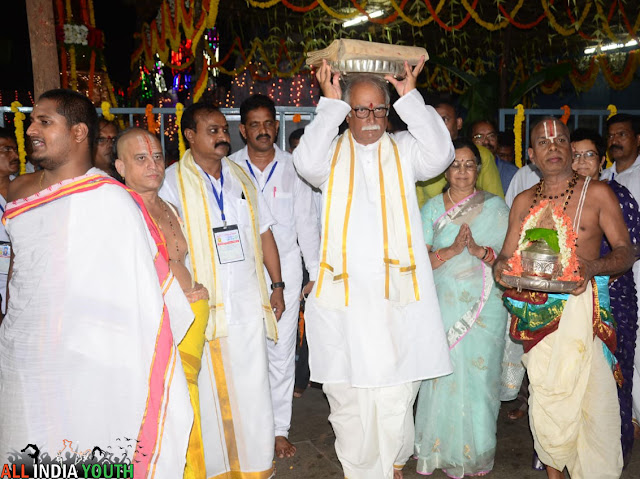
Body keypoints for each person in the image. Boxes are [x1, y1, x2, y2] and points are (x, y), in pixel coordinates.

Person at [0, 89, 194, 477]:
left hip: (87, 357)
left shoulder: (111, 199)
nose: (32, 129)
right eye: (33, 121)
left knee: (89, 445)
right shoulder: (17, 189)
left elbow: (138, 285)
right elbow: (18, 268)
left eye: (44, 122)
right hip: (24, 352)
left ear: (77, 133)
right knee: (28, 449)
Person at [293, 58, 454, 479]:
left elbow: (441, 154)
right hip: (344, 304)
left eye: (378, 109)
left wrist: (410, 96)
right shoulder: (328, 154)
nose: (370, 119)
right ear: (347, 113)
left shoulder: (404, 151)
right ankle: (364, 471)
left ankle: (389, 465)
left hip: (396, 304)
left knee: (395, 396)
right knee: (347, 401)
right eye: (360, 109)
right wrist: (328, 104)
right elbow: (304, 164)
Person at [494, 116, 635, 479]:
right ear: (531, 155)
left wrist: (592, 267)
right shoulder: (524, 201)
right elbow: (505, 258)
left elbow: (626, 252)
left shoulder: (597, 193)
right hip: (539, 317)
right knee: (548, 405)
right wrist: (502, 272)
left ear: (571, 149)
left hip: (584, 314)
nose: (553, 147)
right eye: (543, 142)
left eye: (560, 141)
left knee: (591, 406)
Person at [159, 102, 284, 478]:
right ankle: (216, 470)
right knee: (209, 397)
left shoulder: (241, 178)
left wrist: (277, 285)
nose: (221, 136)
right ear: (190, 136)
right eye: (211, 130)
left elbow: (264, 231)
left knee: (254, 392)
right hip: (202, 305)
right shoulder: (169, 182)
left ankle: (256, 467)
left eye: (222, 130)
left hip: (246, 304)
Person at [114, 128, 211, 478]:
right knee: (169, 411)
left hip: (191, 317)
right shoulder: (121, 210)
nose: (153, 164)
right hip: (158, 324)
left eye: (157, 156)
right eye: (140, 158)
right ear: (120, 166)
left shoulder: (167, 204)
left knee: (187, 406)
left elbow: (180, 261)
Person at [229, 94, 320, 458]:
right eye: (255, 124)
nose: (263, 130)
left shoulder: (294, 167)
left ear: (276, 126)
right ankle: (250, 426)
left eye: (269, 123)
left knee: (282, 352)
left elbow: (307, 223)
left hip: (287, 269)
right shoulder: (229, 168)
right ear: (243, 130)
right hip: (239, 273)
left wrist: (314, 272)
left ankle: (279, 429)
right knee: (246, 350)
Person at [415, 138, 509, 477]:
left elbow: (509, 260)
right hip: (443, 305)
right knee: (443, 376)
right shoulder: (430, 210)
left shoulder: (497, 207)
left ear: (478, 169)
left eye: (470, 164)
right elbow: (420, 263)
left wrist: (481, 251)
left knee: (481, 378)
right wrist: (453, 250)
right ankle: (439, 450)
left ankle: (478, 451)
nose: (463, 171)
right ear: (444, 169)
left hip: (487, 308)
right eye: (456, 164)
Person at [571, 127, 639, 465]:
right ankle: (570, 453)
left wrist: (599, 279)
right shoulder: (560, 197)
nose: (581, 162)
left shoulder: (617, 195)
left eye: (589, 155)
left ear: (601, 160)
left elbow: (631, 248)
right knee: (574, 375)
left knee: (613, 375)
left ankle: (610, 455)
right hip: (571, 299)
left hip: (613, 295)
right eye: (575, 155)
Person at [601, 113, 640, 439]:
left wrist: (622, 255)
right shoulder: (603, 178)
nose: (616, 139)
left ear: (637, 139)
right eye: (612, 135)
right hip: (609, 282)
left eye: (623, 134)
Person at [415, 100, 503, 208]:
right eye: (433, 121)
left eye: (444, 119)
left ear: (458, 123)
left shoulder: (481, 154)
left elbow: (496, 203)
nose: (438, 125)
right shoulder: (422, 157)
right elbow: (419, 205)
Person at [0, 128, 20, 315]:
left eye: (15, 149)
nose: (15, 155)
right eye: (6, 150)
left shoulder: (25, 189)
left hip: (19, 276)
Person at [471, 120, 518, 195]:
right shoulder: (463, 171)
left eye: (491, 136)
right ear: (470, 141)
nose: (486, 141)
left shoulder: (512, 173)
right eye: (479, 137)